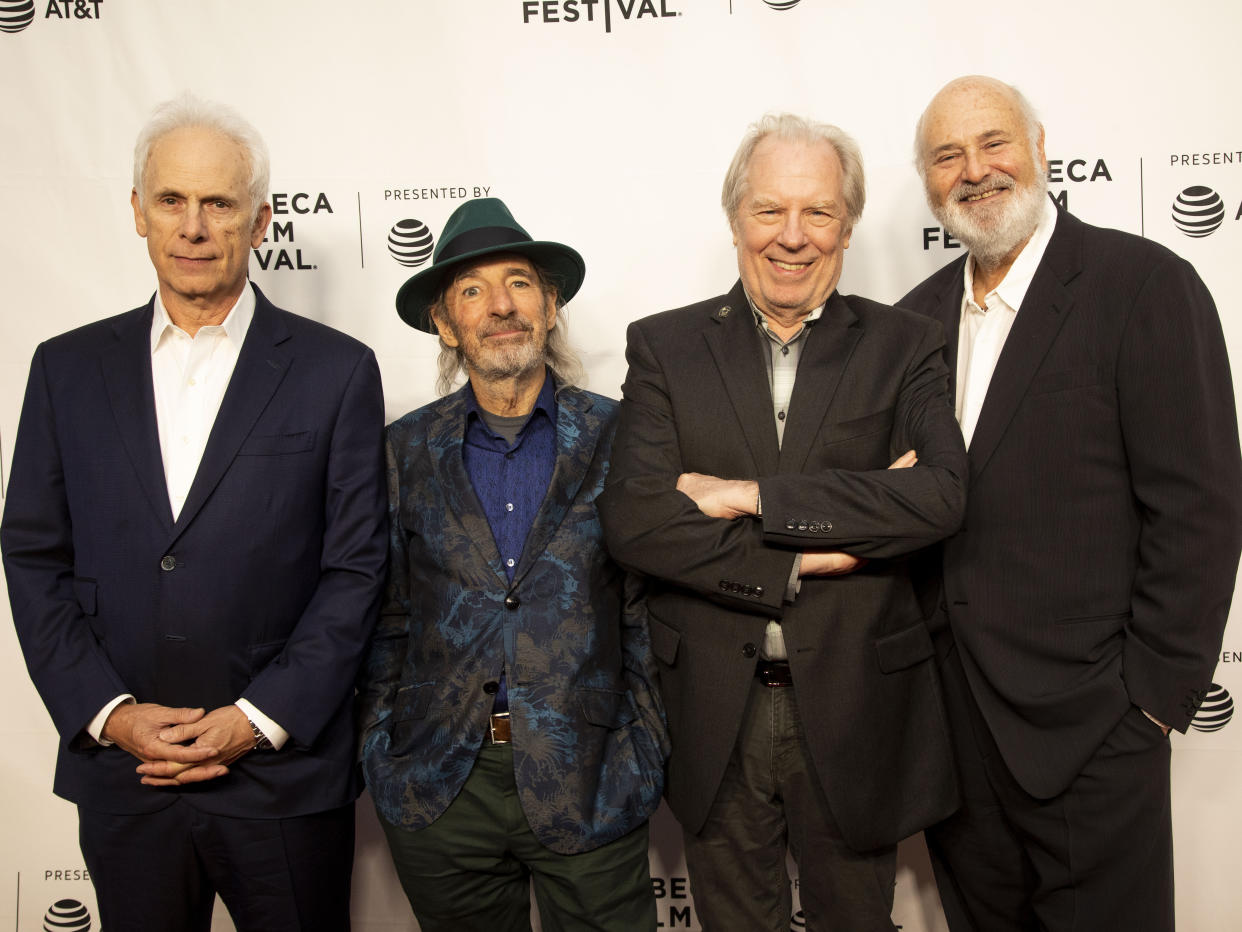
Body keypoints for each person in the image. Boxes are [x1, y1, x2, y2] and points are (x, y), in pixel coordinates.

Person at [0, 94, 387, 931]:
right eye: (172, 200)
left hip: (281, 780)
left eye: (219, 203)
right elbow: (33, 557)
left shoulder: (337, 371)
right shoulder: (65, 368)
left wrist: (257, 721)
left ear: (259, 220)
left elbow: (356, 571)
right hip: (124, 779)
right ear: (138, 211)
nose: (194, 225)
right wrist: (111, 715)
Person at [596, 113, 967, 931]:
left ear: (849, 223)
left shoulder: (907, 344)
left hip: (858, 706)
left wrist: (750, 495)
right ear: (735, 219)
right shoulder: (665, 346)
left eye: (819, 212)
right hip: (714, 709)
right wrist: (808, 560)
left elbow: (939, 496)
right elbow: (637, 521)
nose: (792, 237)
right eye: (770, 210)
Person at [898, 75, 1242, 932]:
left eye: (993, 143)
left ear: (1041, 147)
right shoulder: (911, 324)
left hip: (1095, 730)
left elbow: (1199, 507)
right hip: (955, 739)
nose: (974, 170)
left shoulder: (1143, 286)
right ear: (929, 181)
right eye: (948, 156)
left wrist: (1152, 703)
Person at [357, 197, 668, 931]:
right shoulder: (402, 450)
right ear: (444, 322)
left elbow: (646, 606)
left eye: (520, 283)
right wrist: (383, 749)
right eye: (472, 290)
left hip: (589, 775)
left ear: (551, 304)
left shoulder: (623, 434)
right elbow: (385, 613)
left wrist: (641, 749)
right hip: (441, 785)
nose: (501, 305)